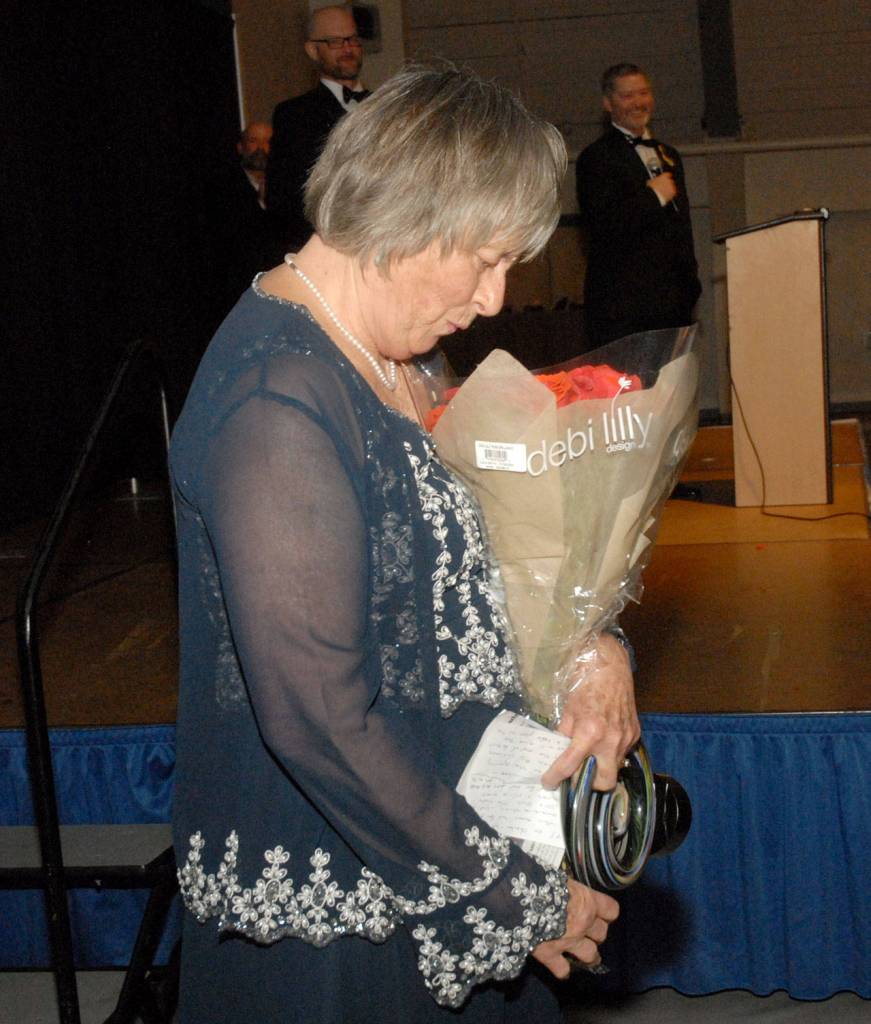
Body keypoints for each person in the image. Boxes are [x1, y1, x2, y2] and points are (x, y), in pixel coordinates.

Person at [171, 64, 639, 1023]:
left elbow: (502, 538)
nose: (496, 297)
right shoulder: (278, 401)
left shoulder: (403, 352)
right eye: (483, 259)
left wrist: (595, 641)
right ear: (405, 212)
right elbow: (318, 722)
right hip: (351, 913)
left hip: (449, 826)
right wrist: (514, 899)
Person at [575, 63, 701, 346]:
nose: (638, 102)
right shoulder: (596, 158)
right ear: (608, 104)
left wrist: (691, 282)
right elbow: (602, 226)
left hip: (674, 305)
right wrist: (652, 197)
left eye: (643, 93)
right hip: (625, 310)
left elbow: (682, 225)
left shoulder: (669, 155)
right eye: (627, 96)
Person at [267, 4, 369, 251]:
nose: (347, 48)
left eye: (352, 39)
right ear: (313, 50)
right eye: (335, 42)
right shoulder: (294, 115)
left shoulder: (386, 106)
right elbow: (285, 200)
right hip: (328, 248)